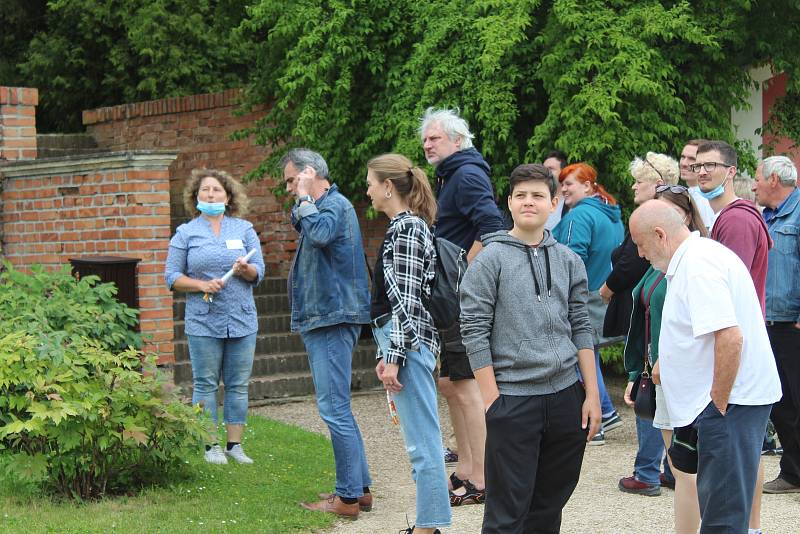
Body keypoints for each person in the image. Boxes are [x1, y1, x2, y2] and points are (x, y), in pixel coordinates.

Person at [459, 163, 601, 533]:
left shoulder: (568, 260)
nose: (528, 202)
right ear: (509, 202)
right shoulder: (489, 260)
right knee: (507, 513)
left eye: (537, 195)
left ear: (553, 203)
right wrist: (492, 401)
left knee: (548, 507)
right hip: (513, 398)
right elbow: (473, 331)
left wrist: (592, 395)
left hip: (566, 397)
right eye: (520, 195)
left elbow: (582, 327)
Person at [630, 200, 782, 533]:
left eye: (641, 245)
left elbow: (730, 337)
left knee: (723, 515)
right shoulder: (696, 258)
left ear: (659, 235)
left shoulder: (698, 264)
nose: (641, 254)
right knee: (719, 505)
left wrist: (718, 402)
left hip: (730, 403)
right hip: (727, 403)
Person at [419, 107, 505, 504]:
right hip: (449, 296)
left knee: (466, 386)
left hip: (460, 296)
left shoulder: (468, 174)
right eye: (425, 140)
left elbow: (492, 228)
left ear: (457, 139)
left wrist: (463, 274)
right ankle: (467, 467)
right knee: (450, 383)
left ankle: (483, 478)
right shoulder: (451, 175)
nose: (427, 144)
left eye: (434, 138)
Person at [282, 149, 373, 519]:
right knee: (338, 409)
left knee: (333, 409)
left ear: (308, 173)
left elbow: (317, 234)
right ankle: (360, 490)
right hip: (325, 317)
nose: (289, 188)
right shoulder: (323, 206)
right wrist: (304, 200)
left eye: (291, 179)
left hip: (332, 317)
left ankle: (347, 498)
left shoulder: (334, 206)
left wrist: (305, 195)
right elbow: (299, 223)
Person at [366, 153, 451, 534]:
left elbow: (407, 301)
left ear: (387, 186)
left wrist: (395, 355)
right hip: (404, 342)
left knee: (422, 443)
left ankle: (429, 527)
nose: (367, 191)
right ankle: (429, 523)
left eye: (371, 183)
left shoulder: (407, 228)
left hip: (410, 343)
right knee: (419, 440)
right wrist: (387, 353)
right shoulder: (407, 227)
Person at [165, 168, 265, 465]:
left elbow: (259, 270)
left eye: (216, 190)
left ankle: (235, 445)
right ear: (195, 197)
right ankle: (210, 446)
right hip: (203, 320)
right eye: (205, 190)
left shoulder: (244, 229)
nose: (211, 194)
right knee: (205, 383)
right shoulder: (186, 232)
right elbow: (171, 276)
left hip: (242, 319)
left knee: (238, 384)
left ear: (228, 196)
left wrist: (246, 270)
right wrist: (201, 285)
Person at [609, 153, 680, 496]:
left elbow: (628, 264)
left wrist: (607, 287)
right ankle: (665, 468)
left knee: (651, 391)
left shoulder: (661, 232)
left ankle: (649, 470)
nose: (634, 185)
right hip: (649, 319)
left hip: (659, 331)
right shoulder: (656, 228)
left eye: (640, 180)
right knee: (651, 389)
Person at [647, 185, 710, 532]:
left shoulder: (692, 260)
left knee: (688, 469)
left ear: (683, 217)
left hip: (681, 374)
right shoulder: (661, 259)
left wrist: (665, 360)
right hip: (662, 371)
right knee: (680, 469)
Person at [552, 162, 624, 445]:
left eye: (569, 183)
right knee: (587, 354)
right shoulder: (611, 213)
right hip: (602, 294)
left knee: (579, 355)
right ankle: (606, 412)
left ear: (588, 185)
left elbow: (571, 258)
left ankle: (600, 417)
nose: (564, 189)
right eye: (562, 183)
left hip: (582, 296)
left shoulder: (579, 216)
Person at [752, 155, 800, 495]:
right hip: (767, 325)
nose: (753, 185)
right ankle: (793, 472)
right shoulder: (764, 216)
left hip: (792, 326)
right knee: (781, 403)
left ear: (773, 180)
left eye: (756, 178)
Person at [679, 139, 716, 230]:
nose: (684, 163)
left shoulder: (705, 199)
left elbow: (705, 235)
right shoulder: (689, 193)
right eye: (683, 157)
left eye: (692, 159)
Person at [543, 149, 569, 230]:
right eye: (544, 169)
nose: (546, 172)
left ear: (563, 172)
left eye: (551, 169)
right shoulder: (538, 201)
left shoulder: (571, 203)